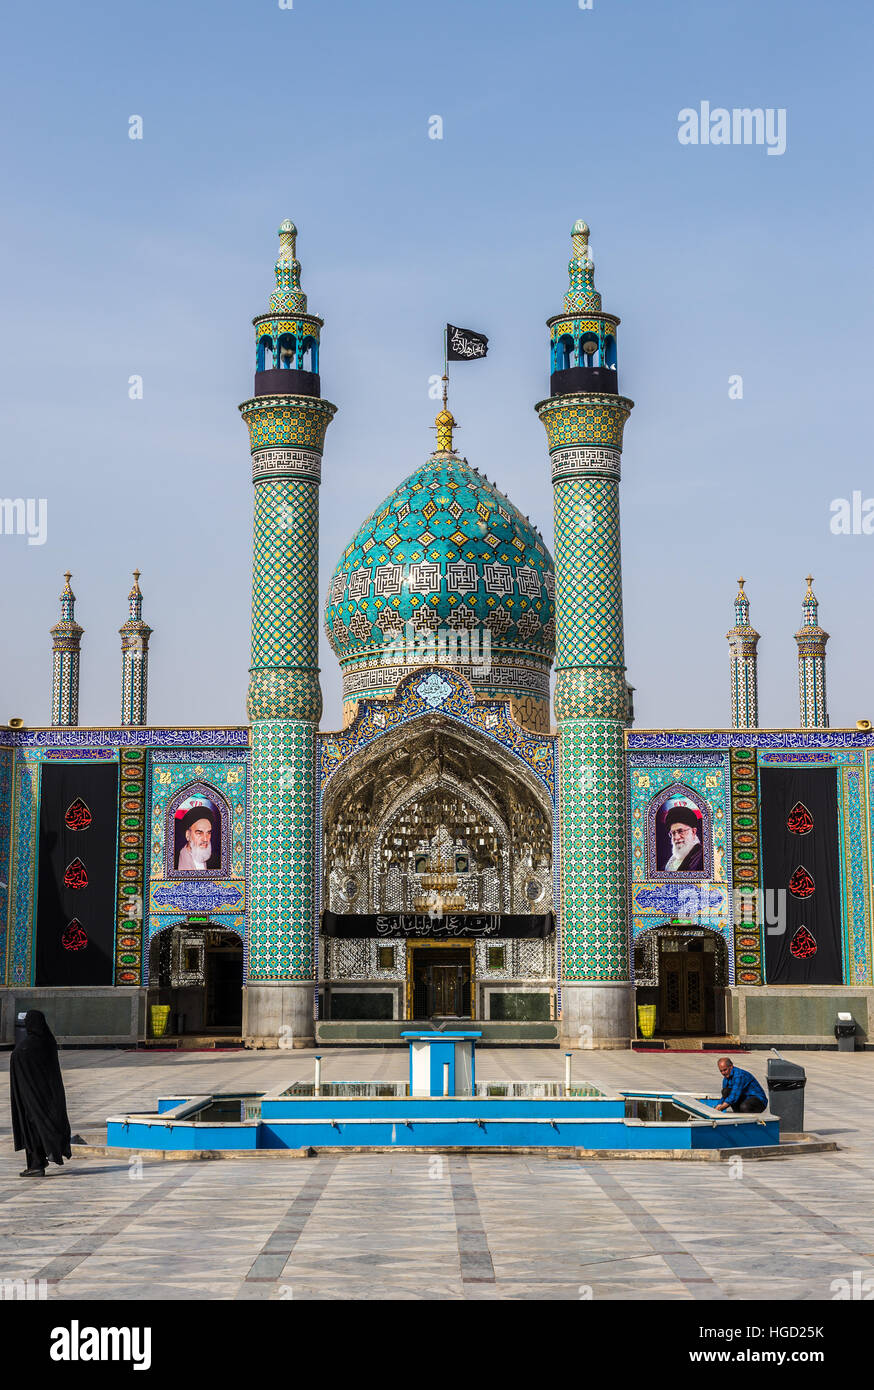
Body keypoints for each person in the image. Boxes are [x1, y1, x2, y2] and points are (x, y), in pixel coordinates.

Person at [10, 1011, 72, 1176]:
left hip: (32, 1098)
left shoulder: (25, 1048)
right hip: (51, 1097)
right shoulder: (48, 1041)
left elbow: (21, 1073)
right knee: (44, 1126)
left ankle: (36, 1164)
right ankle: (39, 1162)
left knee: (32, 1127)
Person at [176, 805, 219, 871]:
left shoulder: (216, 862)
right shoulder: (174, 862)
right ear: (188, 835)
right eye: (199, 833)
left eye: (208, 833)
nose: (205, 839)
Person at [662, 807, 704, 872]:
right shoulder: (671, 860)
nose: (676, 837)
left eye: (680, 831)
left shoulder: (702, 857)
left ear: (693, 832)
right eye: (673, 833)